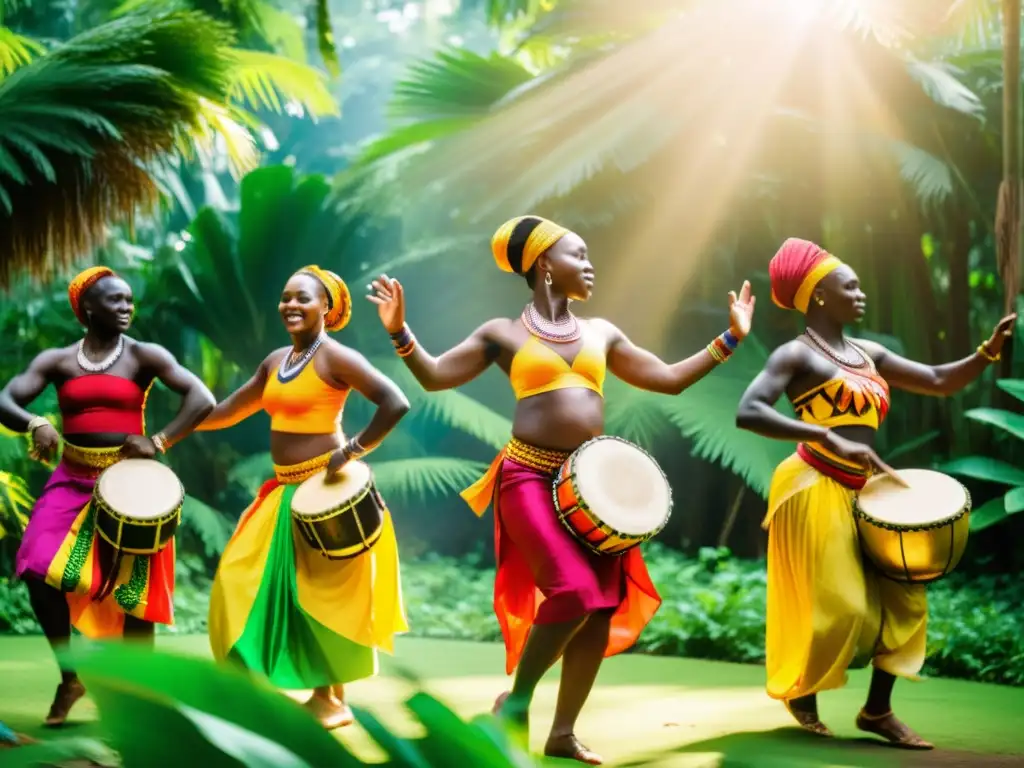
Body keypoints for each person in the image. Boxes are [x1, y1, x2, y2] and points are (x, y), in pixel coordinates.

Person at [366, 215, 756, 765]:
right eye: (580, 254)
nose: (590, 264)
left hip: (591, 486)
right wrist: (398, 330)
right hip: (526, 477)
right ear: (545, 264)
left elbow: (667, 378)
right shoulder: (501, 333)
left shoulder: (603, 333)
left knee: (600, 607)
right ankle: (517, 704)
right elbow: (433, 376)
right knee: (573, 591)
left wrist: (731, 337)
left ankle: (563, 731)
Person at [735, 238, 1016, 749]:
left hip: (869, 490)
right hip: (813, 484)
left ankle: (878, 710)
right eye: (850, 285)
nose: (860, 293)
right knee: (843, 608)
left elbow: (936, 379)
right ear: (819, 296)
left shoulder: (871, 353)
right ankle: (803, 691)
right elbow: (749, 410)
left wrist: (985, 353)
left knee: (907, 597)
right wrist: (822, 433)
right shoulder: (795, 354)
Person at [1, 266, 216, 726]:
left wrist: (158, 441)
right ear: (88, 308)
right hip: (71, 480)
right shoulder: (57, 360)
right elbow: (6, 398)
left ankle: (142, 696)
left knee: (135, 593)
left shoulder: (144, 355)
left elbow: (201, 398)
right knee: (37, 567)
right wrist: (36, 422)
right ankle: (70, 677)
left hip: (132, 485)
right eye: (115, 301)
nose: (126, 308)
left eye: (129, 300)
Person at [200, 265, 410, 730]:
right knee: (239, 581)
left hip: (326, 493)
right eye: (285, 297)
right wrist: (174, 430)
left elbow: (395, 401)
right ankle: (295, 693)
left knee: (324, 597)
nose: (290, 305)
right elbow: (229, 410)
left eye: (303, 298)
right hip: (283, 492)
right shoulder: (276, 361)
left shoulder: (337, 357)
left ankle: (330, 699)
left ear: (326, 308)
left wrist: (353, 449)